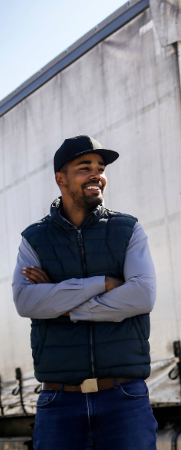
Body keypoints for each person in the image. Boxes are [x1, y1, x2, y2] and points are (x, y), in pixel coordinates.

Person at [12, 135, 157, 450]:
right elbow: (25, 301)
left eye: (100, 167)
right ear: (60, 178)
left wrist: (61, 304)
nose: (97, 175)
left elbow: (142, 296)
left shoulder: (128, 229)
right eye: (84, 167)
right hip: (59, 401)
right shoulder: (34, 238)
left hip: (124, 399)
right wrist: (100, 283)